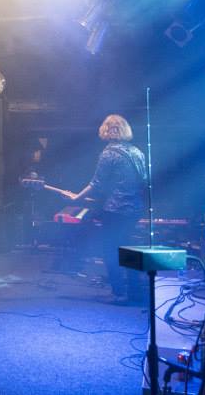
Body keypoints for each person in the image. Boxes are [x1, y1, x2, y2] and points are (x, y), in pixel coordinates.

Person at [54, 114, 147, 303]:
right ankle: (135, 292)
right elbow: (143, 181)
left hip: (115, 210)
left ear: (105, 130)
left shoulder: (109, 153)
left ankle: (119, 293)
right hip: (134, 209)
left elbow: (97, 183)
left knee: (111, 250)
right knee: (129, 250)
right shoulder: (137, 152)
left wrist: (76, 198)